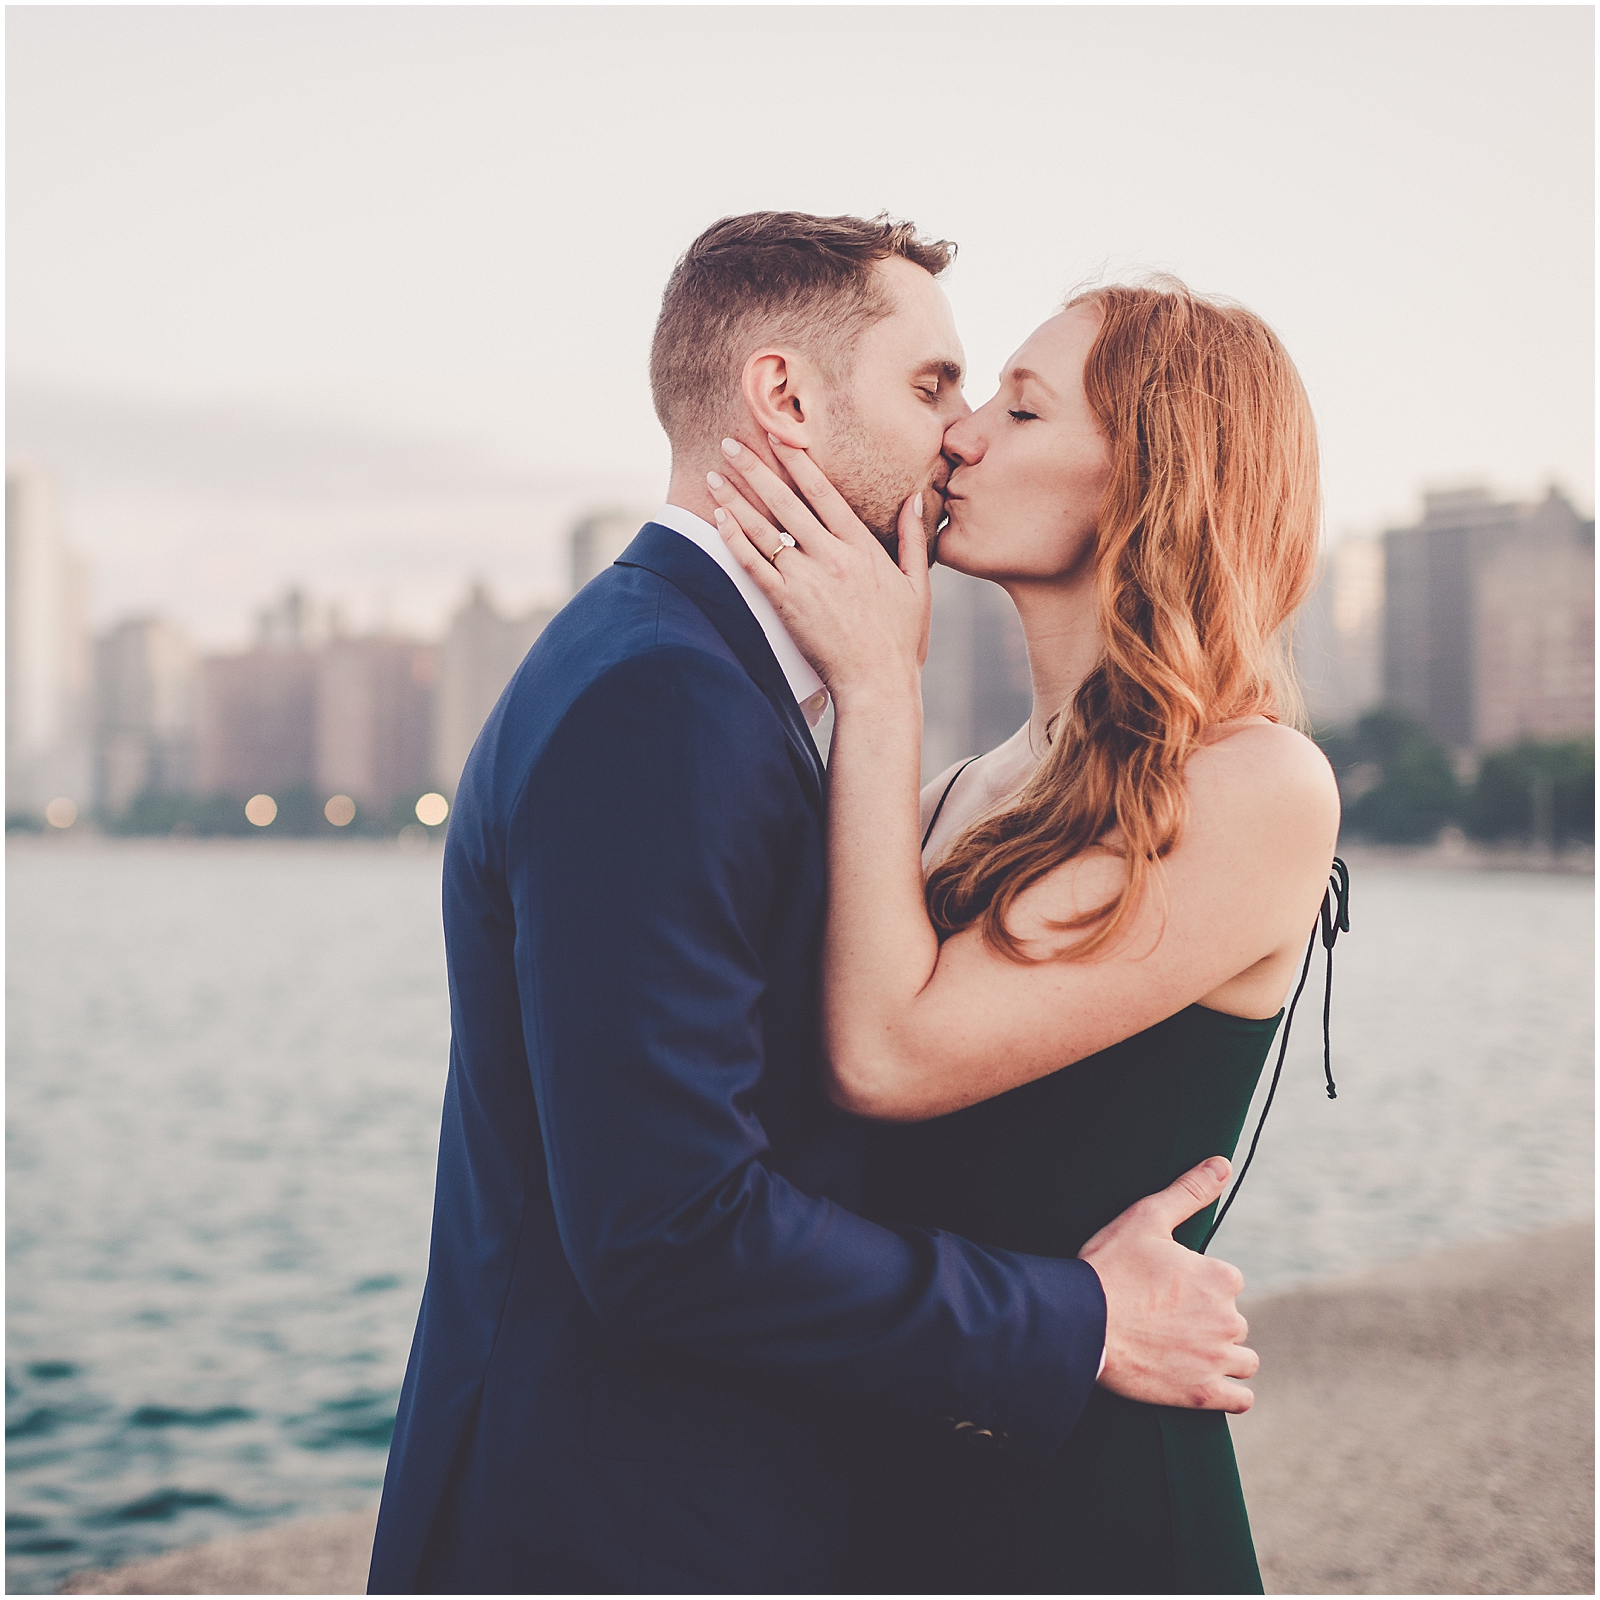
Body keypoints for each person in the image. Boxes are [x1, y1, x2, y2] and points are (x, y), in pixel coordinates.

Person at [367, 215, 1260, 1597]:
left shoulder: (711, 682)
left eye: (1001, 402)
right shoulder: (664, 696)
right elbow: (672, 1221)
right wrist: (1075, 1315)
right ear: (783, 397)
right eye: (936, 388)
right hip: (624, 1531)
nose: (960, 435)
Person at [704, 278, 1340, 1592]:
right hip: (889, 1483)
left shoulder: (1258, 782)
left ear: (1146, 476)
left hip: (1085, 1511)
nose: (962, 436)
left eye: (1021, 405)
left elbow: (889, 1059)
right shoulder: (959, 790)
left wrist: (885, 681)